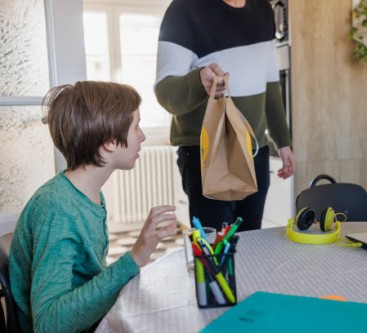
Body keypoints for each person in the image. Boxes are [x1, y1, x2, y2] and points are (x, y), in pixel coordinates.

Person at [9, 81, 178, 333]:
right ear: (110, 142)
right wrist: (134, 257)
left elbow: (86, 276)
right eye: (136, 127)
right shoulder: (57, 209)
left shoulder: (89, 195)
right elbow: (47, 324)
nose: (142, 136)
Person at [154, 0, 294, 232]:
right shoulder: (184, 10)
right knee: (215, 249)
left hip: (254, 151)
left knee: (251, 242)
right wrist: (200, 80)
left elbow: (270, 83)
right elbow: (165, 92)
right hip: (207, 152)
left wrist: (283, 141)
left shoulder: (263, 10)